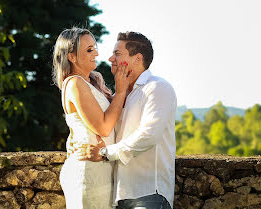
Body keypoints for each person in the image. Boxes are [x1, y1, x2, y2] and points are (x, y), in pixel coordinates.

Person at [74, 31, 177, 209]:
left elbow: (149, 135)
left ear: (137, 59)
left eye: (117, 54)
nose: (110, 58)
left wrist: (106, 153)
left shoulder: (157, 88)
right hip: (121, 196)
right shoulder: (120, 96)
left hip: (149, 193)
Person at [52, 27, 132, 209]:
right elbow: (103, 128)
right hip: (88, 172)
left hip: (101, 169)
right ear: (71, 57)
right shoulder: (75, 83)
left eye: (94, 47)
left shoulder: (91, 83)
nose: (96, 52)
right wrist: (120, 91)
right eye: (89, 50)